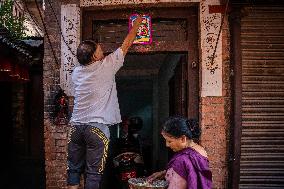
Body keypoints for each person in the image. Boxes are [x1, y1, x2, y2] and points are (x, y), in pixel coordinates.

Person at [67, 15, 143, 189]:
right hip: (96, 129)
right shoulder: (106, 66)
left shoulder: (77, 72)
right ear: (94, 56)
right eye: (100, 49)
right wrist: (137, 23)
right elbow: (126, 44)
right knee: (93, 174)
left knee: (73, 170)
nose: (103, 50)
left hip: (76, 129)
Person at [147, 116, 212, 189]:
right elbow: (190, 172)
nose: (167, 145)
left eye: (169, 141)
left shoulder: (181, 160)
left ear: (183, 139)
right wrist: (165, 172)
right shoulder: (201, 150)